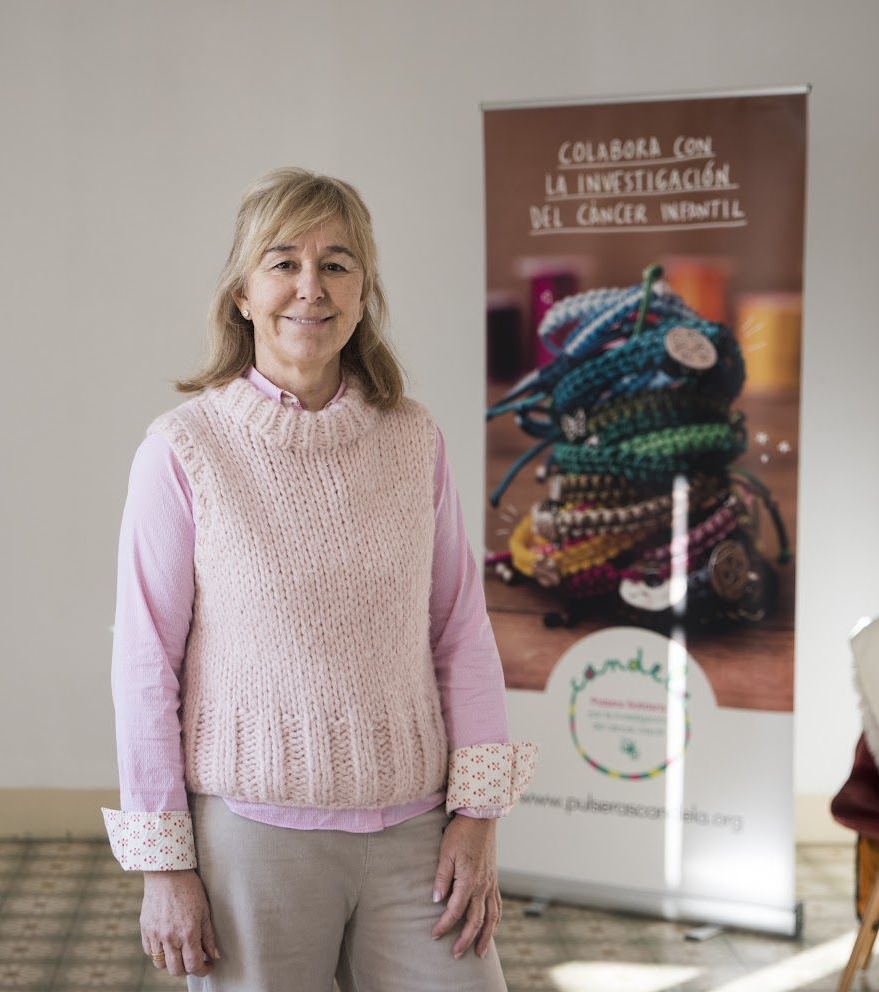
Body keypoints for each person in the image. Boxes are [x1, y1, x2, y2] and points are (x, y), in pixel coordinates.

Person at [101, 167, 537, 991]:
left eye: (337, 264)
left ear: (364, 290)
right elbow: (143, 662)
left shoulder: (414, 440)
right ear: (241, 292)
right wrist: (166, 867)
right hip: (253, 841)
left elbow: (460, 630)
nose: (311, 288)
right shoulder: (184, 448)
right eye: (283, 262)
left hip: (417, 831)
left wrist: (479, 820)